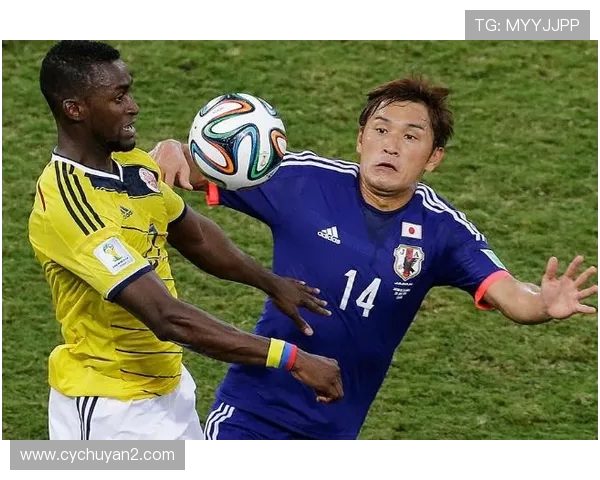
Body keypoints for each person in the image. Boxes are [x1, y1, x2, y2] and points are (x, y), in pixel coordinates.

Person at [153, 76, 598, 440]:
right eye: (381, 130)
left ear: (434, 158)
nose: (391, 145)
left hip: (336, 429)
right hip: (252, 411)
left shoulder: (443, 231)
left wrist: (543, 304)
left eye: (411, 136)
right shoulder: (302, 181)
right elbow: (194, 167)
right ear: (360, 139)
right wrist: (173, 148)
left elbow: (510, 294)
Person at [28, 40, 344, 441]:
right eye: (119, 97)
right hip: (110, 410)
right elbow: (166, 317)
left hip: (169, 390)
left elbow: (193, 234)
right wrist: (291, 358)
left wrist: (269, 282)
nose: (133, 106)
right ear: (75, 109)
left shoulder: (131, 164)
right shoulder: (68, 206)